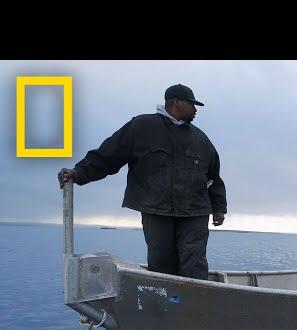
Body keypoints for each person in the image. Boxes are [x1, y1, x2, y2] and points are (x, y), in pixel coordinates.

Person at [57, 84, 227, 280]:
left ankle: (195, 308)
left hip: (195, 212)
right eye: (192, 104)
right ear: (177, 103)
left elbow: (214, 177)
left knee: (194, 263)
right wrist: (79, 173)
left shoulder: (201, 139)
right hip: (156, 209)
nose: (196, 110)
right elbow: (108, 155)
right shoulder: (141, 127)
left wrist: (219, 208)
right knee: (161, 264)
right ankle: (166, 307)